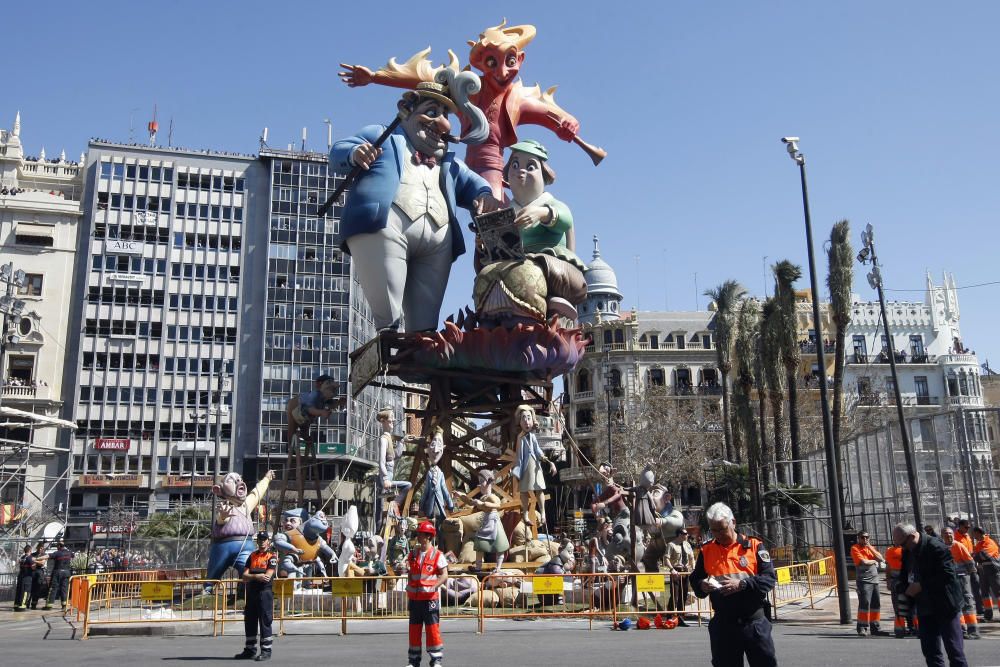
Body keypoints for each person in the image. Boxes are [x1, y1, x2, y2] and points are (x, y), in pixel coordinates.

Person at [339, 20, 586, 200]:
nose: (501, 72)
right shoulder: (467, 88)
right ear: (480, 64)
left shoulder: (519, 99)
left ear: (520, 59)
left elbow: (555, 116)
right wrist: (375, 77)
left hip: (493, 168)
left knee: (494, 211)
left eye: (509, 62)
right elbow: (421, 76)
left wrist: (567, 124)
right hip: (460, 163)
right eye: (492, 63)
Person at [330, 80, 499, 333]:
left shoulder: (449, 163)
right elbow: (338, 150)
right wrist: (356, 153)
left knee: (424, 324)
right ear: (406, 110)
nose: (441, 123)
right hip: (385, 225)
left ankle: (422, 351)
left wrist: (484, 195)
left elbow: (477, 185)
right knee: (389, 307)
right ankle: (388, 335)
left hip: (438, 241)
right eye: (431, 112)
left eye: (445, 116)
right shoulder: (383, 136)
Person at [691, 502, 777, 667]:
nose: (719, 534)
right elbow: (695, 579)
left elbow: (769, 579)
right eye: (714, 530)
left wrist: (743, 584)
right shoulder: (706, 550)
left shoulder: (754, 546)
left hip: (754, 623)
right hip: (724, 625)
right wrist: (702, 585)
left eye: (722, 529)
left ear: (733, 522)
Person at [893, 523, 968, 667]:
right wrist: (902, 587)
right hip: (925, 607)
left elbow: (948, 574)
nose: (902, 548)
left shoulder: (935, 546)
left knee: (954, 650)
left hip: (945, 604)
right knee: (930, 651)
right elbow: (904, 573)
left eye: (903, 544)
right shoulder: (908, 550)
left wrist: (921, 585)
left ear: (912, 536)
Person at [405, 521, 448, 667]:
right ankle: (413, 661)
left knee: (432, 630)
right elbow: (411, 573)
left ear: (428, 537)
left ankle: (436, 660)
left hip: (430, 599)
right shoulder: (413, 554)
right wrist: (409, 583)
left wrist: (434, 587)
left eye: (421, 534)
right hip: (415, 600)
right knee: (414, 631)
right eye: (418, 534)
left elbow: (444, 575)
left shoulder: (437, 555)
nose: (418, 536)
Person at [234, 531, 277, 662]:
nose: (262, 542)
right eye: (260, 539)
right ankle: (250, 650)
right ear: (257, 541)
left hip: (265, 593)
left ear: (268, 541)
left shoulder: (272, 557)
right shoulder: (252, 556)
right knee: (250, 620)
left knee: (265, 621)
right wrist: (257, 576)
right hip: (252, 592)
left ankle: (266, 651)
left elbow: (267, 576)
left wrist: (253, 575)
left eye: (264, 539)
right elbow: (244, 576)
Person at [511, 404, 556, 527]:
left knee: (539, 489)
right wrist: (517, 470)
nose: (526, 421)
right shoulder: (520, 438)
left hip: (535, 466)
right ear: (519, 422)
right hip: (526, 466)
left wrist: (549, 462)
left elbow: (538, 451)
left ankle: (543, 513)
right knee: (524, 491)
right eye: (523, 418)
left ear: (533, 420)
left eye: (529, 418)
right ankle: (525, 513)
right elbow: (519, 456)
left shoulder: (532, 436)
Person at [376, 408, 412, 533]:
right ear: (383, 421)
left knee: (382, 508)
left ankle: (394, 504)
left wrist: (402, 441)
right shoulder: (383, 439)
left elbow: (396, 455)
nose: (392, 422)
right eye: (390, 420)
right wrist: (385, 478)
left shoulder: (388, 438)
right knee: (380, 509)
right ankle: (378, 531)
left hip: (390, 474)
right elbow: (381, 461)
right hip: (385, 477)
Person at [942, 527, 980, 639]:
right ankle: (961, 630)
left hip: (962, 577)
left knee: (967, 601)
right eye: (946, 533)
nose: (948, 535)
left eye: (950, 533)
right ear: (942, 536)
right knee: (956, 604)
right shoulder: (942, 547)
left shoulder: (958, 545)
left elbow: (969, 561)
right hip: (951, 580)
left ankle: (973, 630)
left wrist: (972, 574)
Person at [418, 427, 455, 535]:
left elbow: (444, 490)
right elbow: (426, 492)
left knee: (440, 531)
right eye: (433, 445)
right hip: (430, 508)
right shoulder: (429, 473)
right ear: (428, 448)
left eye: (439, 446)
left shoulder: (440, 473)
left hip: (439, 508)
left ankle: (440, 548)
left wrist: (451, 505)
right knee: (430, 531)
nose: (435, 450)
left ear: (442, 448)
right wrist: (421, 508)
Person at [850, 531, 886, 636]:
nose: (865, 539)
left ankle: (875, 627)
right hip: (864, 581)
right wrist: (874, 561)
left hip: (875, 581)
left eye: (867, 537)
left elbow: (881, 558)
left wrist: (870, 547)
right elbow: (863, 562)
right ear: (858, 538)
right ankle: (862, 627)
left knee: (876, 604)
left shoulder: (870, 548)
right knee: (864, 604)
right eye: (862, 537)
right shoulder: (855, 548)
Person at [885, 541, 915, 637]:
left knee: (912, 605)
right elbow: (888, 566)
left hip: (908, 579)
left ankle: (914, 628)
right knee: (898, 605)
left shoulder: (909, 550)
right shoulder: (890, 551)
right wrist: (888, 580)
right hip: (897, 581)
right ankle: (900, 630)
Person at [665, 527, 695, 626]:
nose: (687, 535)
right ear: (679, 534)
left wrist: (692, 567)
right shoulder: (671, 545)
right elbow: (666, 559)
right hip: (676, 572)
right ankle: (669, 616)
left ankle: (680, 618)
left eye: (686, 534)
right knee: (675, 595)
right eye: (685, 533)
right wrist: (672, 569)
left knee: (684, 595)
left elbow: (691, 557)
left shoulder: (687, 545)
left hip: (685, 572)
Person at [971, 526, 1000, 621]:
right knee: (984, 593)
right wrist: (977, 555)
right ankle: (988, 615)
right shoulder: (979, 544)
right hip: (983, 571)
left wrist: (977, 555)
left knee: (998, 592)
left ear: (978, 533)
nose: (973, 535)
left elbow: (983, 556)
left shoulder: (990, 542)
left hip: (993, 570)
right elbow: (975, 555)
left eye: (974, 533)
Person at [955, 519, 982, 617]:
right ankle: (967, 610)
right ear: (960, 526)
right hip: (961, 567)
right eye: (966, 527)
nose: (967, 529)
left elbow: (970, 549)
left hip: (971, 564)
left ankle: (980, 609)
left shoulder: (967, 536)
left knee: (976, 585)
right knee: (966, 589)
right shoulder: (955, 537)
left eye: (969, 527)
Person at [45, 541, 74, 610]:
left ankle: (49, 605)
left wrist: (36, 559)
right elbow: (73, 556)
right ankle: (64, 606)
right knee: (64, 589)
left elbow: (48, 556)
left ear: (58, 546)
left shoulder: (57, 553)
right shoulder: (69, 552)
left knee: (53, 588)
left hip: (57, 572)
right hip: (66, 572)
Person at [13, 545, 34, 611]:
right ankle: (22, 605)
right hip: (27, 577)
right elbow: (33, 567)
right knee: (25, 591)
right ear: (30, 550)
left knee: (19, 591)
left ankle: (16, 605)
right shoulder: (29, 558)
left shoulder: (22, 557)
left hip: (21, 576)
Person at [29, 541, 49, 609]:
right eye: (39, 548)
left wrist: (35, 561)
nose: (40, 549)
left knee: (38, 588)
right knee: (31, 588)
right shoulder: (33, 554)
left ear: (43, 548)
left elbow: (42, 563)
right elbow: (30, 562)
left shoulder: (44, 554)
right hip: (33, 572)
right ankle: (29, 603)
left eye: (41, 548)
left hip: (40, 572)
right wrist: (36, 562)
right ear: (37, 547)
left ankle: (34, 604)